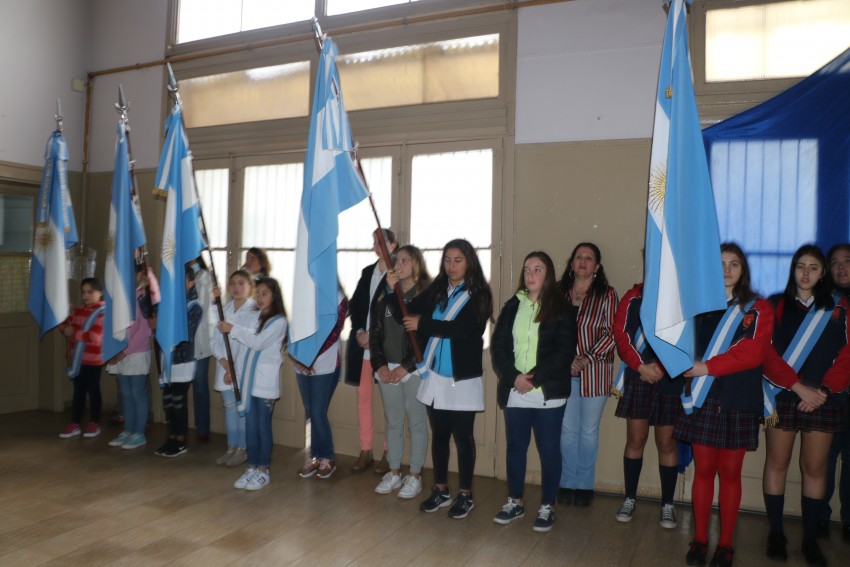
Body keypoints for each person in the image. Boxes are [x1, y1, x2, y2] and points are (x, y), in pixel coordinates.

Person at [675, 243, 802, 567]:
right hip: (703, 397)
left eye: (734, 263)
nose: (727, 269)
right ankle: (700, 540)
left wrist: (705, 366)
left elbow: (752, 353)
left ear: (743, 269)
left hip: (738, 400)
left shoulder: (757, 307)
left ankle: (727, 545)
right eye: (720, 263)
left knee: (730, 474)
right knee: (703, 471)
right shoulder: (697, 304)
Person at [762, 244, 850, 565]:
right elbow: (766, 354)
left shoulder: (840, 309)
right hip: (784, 395)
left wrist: (824, 390)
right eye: (801, 266)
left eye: (814, 267)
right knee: (777, 463)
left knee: (814, 469)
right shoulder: (774, 305)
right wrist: (798, 387)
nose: (806, 272)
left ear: (823, 272)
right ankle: (776, 533)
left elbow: (847, 356)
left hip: (822, 400)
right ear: (793, 269)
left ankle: (810, 539)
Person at [401, 238, 492, 519]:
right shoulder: (438, 288)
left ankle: (465, 493)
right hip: (435, 375)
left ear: (469, 262)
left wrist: (424, 324)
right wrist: (390, 282)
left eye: (458, 260)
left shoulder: (479, 294)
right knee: (439, 435)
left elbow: (466, 330)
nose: (451, 266)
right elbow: (406, 308)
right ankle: (440, 488)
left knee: (463, 437)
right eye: (447, 260)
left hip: (462, 378)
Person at [491, 251, 576, 532]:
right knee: (516, 448)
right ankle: (514, 501)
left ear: (548, 274)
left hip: (547, 392)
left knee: (549, 449)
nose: (530, 274)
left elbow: (564, 352)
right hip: (516, 390)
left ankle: (547, 506)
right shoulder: (512, 306)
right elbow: (499, 347)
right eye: (527, 269)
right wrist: (515, 378)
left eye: (537, 269)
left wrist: (535, 378)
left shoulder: (562, 308)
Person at [612, 281, 682, 528]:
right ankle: (630, 498)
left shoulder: (680, 294)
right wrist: (641, 366)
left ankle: (667, 504)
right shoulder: (633, 296)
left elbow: (685, 335)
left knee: (666, 443)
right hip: (637, 374)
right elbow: (621, 335)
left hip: (669, 377)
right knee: (635, 440)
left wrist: (662, 368)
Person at [557, 242, 618, 507]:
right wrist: (565, 360)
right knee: (567, 431)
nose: (582, 261)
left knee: (588, 432)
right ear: (571, 263)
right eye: (578, 257)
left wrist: (585, 359)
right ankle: (566, 482)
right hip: (562, 372)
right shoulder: (558, 293)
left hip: (595, 373)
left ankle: (584, 486)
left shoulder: (607, 294)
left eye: (589, 258)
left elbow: (612, 333)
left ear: (597, 266)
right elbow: (548, 330)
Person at [370, 245, 431, 499]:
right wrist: (380, 365)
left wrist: (406, 366)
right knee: (393, 422)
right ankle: (394, 471)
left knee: (416, 422)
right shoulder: (385, 293)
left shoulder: (426, 294)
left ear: (416, 263)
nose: (399, 265)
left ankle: (414, 475)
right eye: (396, 261)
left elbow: (426, 336)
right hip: (387, 368)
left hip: (413, 368)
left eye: (405, 260)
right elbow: (375, 331)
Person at [219, 277, 288, 491]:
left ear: (274, 296)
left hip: (265, 383)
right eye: (257, 293)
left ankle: (263, 470)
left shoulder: (279, 321)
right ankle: (251, 467)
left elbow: (257, 342)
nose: (259, 298)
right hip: (249, 381)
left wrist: (233, 329)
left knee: (262, 427)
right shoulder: (254, 317)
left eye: (264, 293)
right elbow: (241, 344)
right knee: (250, 425)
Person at [347, 228, 398, 474]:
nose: (376, 247)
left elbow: (398, 314)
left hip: (386, 348)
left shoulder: (398, 272)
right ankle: (365, 449)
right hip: (364, 347)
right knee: (363, 398)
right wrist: (358, 331)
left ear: (393, 244)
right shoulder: (368, 272)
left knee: (390, 403)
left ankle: (390, 452)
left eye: (381, 243)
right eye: (374, 243)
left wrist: (375, 336)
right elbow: (356, 306)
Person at [294, 290, 349, 480]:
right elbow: (295, 327)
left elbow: (334, 331)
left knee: (318, 411)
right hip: (301, 363)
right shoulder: (302, 291)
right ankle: (314, 456)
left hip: (325, 364)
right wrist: (298, 356)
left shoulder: (338, 297)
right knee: (310, 412)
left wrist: (311, 357)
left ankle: (327, 457)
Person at [155, 268, 203, 458]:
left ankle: (181, 440)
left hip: (183, 360)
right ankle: (171, 437)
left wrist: (165, 325)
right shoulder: (167, 303)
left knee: (178, 400)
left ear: (191, 282)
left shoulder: (194, 306)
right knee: (167, 400)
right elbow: (152, 316)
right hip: (167, 358)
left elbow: (187, 333)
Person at [211, 269, 256, 467]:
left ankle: (243, 448)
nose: (236, 288)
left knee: (241, 410)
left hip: (242, 369)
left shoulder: (255, 311)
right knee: (229, 409)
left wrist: (234, 368)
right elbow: (215, 340)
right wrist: (224, 362)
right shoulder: (224, 309)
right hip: (225, 368)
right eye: (233, 284)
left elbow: (250, 341)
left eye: (241, 283)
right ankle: (231, 447)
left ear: (250, 287)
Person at [106, 266, 154, 450]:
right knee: (125, 394)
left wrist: (124, 352)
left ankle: (139, 433)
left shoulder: (143, 298)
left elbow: (144, 331)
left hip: (136, 351)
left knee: (137, 393)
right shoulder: (119, 297)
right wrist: (113, 351)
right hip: (120, 351)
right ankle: (128, 430)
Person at [823, 243, 850, 542]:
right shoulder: (826, 304)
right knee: (825, 459)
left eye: (847, 261)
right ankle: (819, 517)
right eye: (835, 263)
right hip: (831, 393)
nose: (841, 267)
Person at [58, 278, 106, 439]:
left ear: (100, 293)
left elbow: (96, 337)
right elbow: (65, 327)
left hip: (94, 360)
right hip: (78, 360)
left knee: (93, 390)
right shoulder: (78, 311)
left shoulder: (103, 312)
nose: (86, 295)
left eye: (90, 292)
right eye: (83, 292)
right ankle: (75, 423)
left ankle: (94, 422)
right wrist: (64, 325)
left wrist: (75, 334)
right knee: (78, 392)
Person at [190, 260, 215, 444]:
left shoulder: (206, 277)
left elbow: (207, 308)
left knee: (199, 383)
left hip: (200, 339)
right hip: (183, 339)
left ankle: (202, 428)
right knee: (179, 384)